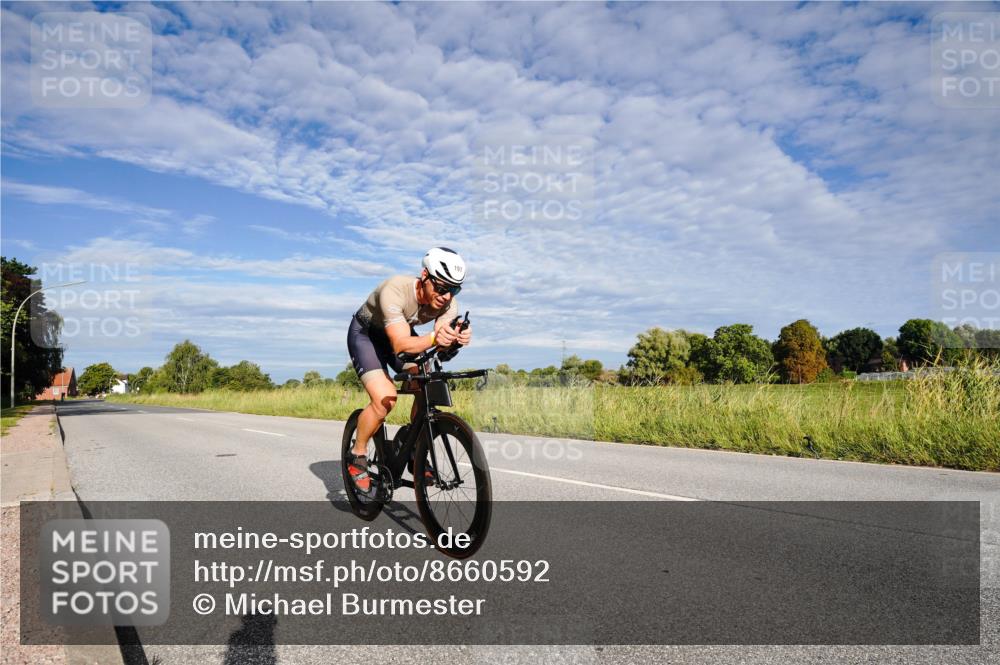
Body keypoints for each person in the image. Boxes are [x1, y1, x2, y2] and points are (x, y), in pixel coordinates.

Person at [346, 247, 472, 491]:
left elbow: (439, 345)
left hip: (400, 334)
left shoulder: (448, 304)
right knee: (386, 399)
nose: (446, 296)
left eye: (454, 289)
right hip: (367, 336)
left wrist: (455, 338)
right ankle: (358, 453)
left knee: (428, 380)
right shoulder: (395, 289)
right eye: (441, 287)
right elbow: (400, 344)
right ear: (424, 276)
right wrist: (436, 338)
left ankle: (413, 447)